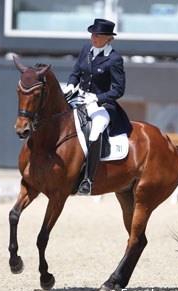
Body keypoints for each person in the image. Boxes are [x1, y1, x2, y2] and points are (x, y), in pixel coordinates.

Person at [63, 18, 132, 195]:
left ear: (108, 38)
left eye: (98, 35)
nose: (93, 37)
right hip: (79, 99)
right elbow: (76, 72)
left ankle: (88, 180)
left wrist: (97, 98)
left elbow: (118, 90)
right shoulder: (86, 50)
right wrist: (71, 85)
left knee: (95, 132)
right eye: (93, 33)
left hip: (102, 105)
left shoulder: (114, 59)